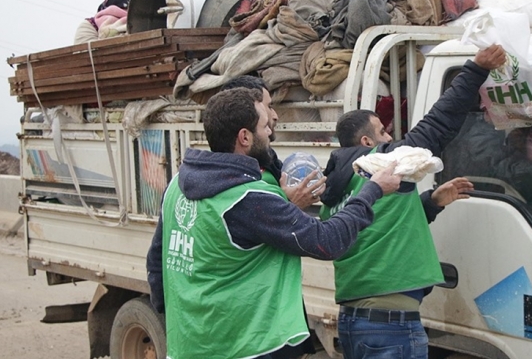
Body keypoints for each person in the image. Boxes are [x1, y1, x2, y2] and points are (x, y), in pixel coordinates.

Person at [146, 87, 403, 359]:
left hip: (191, 345)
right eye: (264, 125)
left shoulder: (176, 184)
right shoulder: (248, 197)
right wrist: (372, 189)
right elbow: (328, 242)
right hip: (246, 346)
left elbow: (156, 262)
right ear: (244, 137)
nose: (270, 131)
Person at [318, 45, 505, 358]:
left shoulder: (335, 192)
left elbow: (374, 227)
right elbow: (438, 124)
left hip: (356, 322)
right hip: (390, 325)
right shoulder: (387, 162)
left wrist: (430, 203)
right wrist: (475, 69)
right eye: (383, 132)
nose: (391, 138)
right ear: (367, 143)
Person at [220, 76, 322, 358]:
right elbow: (324, 241)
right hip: (254, 330)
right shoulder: (240, 189)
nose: (274, 116)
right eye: (267, 108)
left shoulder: (264, 164)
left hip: (275, 321)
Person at [222, 75, 326, 210]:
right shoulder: (245, 184)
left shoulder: (267, 162)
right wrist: (294, 204)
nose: (275, 116)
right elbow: (262, 228)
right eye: (269, 106)